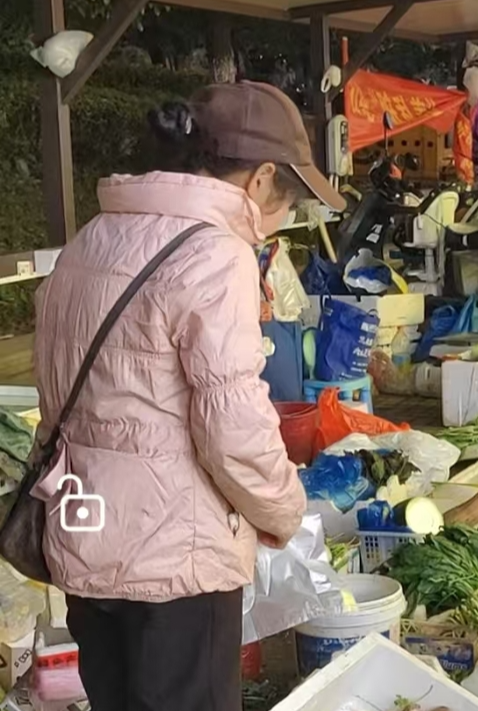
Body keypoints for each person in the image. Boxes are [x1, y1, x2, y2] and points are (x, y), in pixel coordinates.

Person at [31, 82, 328, 711]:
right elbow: (234, 431)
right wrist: (284, 511)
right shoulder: (215, 252)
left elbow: (55, 390)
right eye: (289, 200)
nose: (283, 217)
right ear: (261, 179)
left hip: (87, 539)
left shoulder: (92, 239)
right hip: (176, 561)